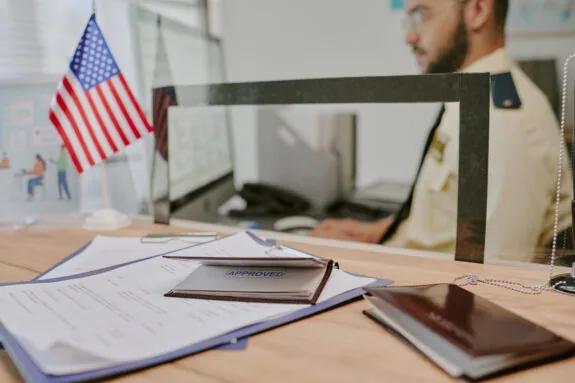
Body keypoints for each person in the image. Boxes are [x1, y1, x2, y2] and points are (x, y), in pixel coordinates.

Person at [310, 0, 573, 262]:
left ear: (478, 10)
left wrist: (360, 260)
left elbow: (492, 279)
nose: (409, 37)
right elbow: (445, 218)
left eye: (421, 16)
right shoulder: (474, 97)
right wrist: (376, 233)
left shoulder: (504, 122)